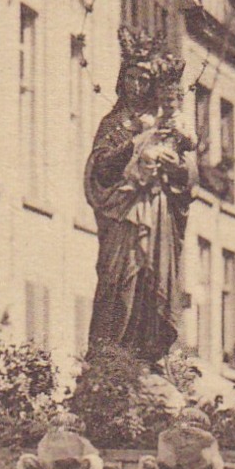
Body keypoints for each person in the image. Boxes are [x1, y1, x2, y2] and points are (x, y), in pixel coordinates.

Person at [84, 27, 195, 366]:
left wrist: (175, 166)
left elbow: (189, 176)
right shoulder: (113, 124)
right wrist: (134, 145)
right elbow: (99, 169)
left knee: (153, 283)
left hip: (157, 214)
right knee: (119, 284)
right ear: (122, 80)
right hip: (122, 217)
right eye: (131, 78)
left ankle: (148, 359)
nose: (137, 86)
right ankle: (110, 362)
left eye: (144, 80)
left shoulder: (164, 122)